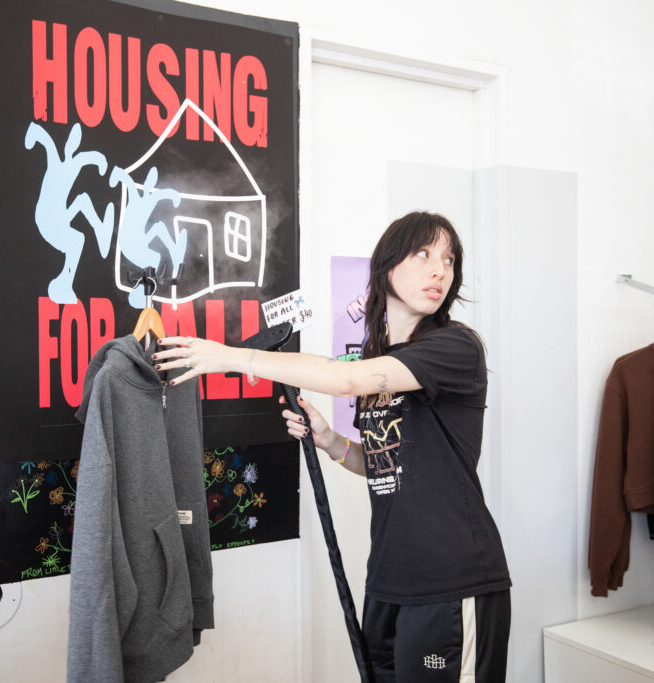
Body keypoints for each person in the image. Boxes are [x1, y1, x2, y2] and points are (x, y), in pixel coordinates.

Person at [155, 211, 511, 681]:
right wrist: (331, 441)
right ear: (386, 267)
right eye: (423, 254)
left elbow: (344, 379)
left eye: (448, 259)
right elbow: (387, 461)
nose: (439, 270)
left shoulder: (456, 348)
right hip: (389, 578)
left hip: (451, 579)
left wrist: (231, 357)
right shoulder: (383, 361)